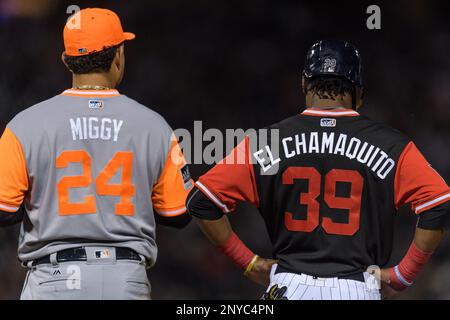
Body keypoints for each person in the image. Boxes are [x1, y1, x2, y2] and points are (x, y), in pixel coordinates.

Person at [186, 40, 450, 300]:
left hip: (289, 286)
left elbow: (202, 201)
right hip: (356, 288)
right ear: (359, 93)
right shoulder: (392, 146)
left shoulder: (265, 143)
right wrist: (404, 274)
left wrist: (249, 263)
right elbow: (438, 204)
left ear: (303, 84)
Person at [0, 8, 193, 300]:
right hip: (125, 278)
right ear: (118, 55)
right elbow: (179, 214)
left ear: (66, 60)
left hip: (52, 279)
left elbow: (3, 210)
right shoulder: (154, 126)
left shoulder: (24, 125)